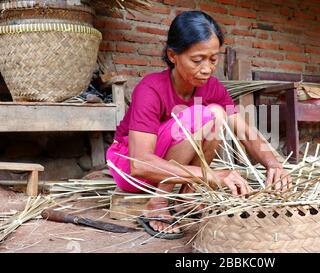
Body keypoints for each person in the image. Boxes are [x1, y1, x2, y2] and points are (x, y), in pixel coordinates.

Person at [106, 10, 292, 239]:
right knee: (203, 115)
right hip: (131, 170)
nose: (207, 68)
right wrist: (211, 175)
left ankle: (186, 197)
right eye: (197, 60)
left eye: (213, 59)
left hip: (169, 166)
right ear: (172, 55)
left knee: (216, 113)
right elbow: (140, 164)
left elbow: (244, 129)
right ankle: (158, 202)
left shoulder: (212, 87)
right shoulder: (150, 89)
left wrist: (273, 164)